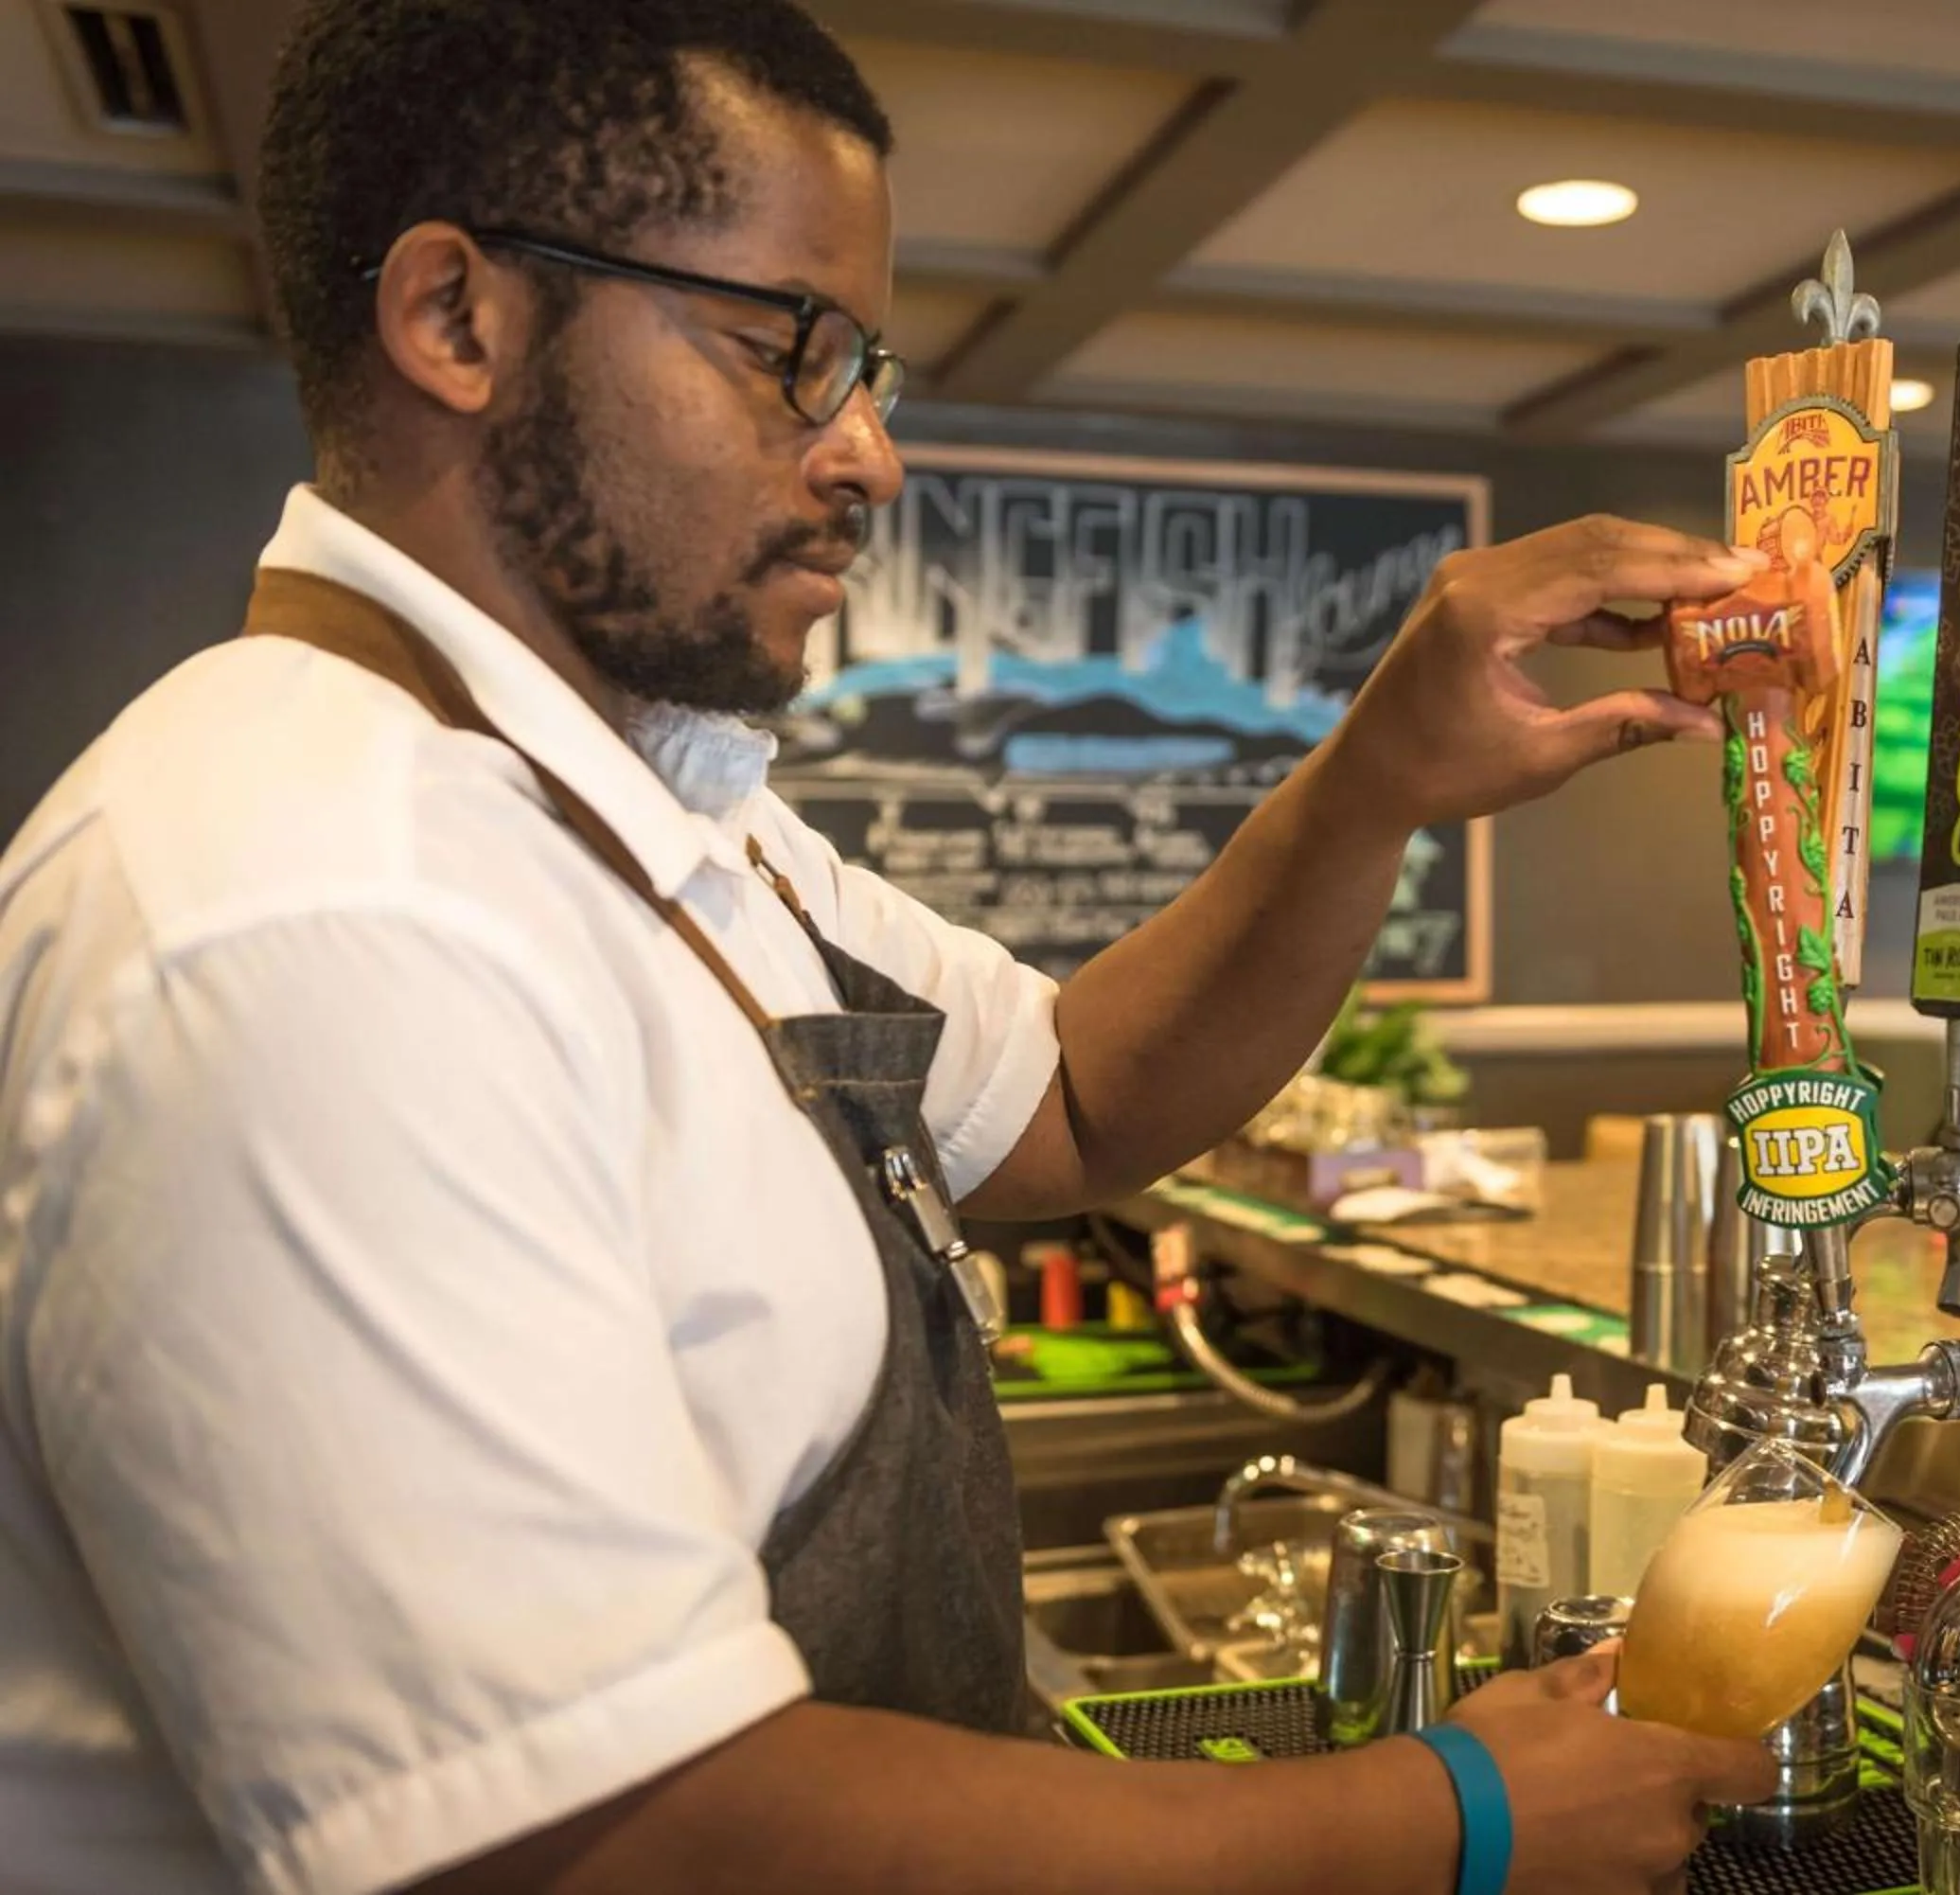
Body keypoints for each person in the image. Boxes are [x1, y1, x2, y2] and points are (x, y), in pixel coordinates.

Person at [0, 5, 1778, 1892]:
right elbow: (610, 1839)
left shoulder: (658, 816)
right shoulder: (314, 915)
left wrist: (1374, 785)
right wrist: (1453, 1815)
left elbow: (1076, 1097)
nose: (869, 455)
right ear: (458, 319)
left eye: (870, 368)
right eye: (792, 352)